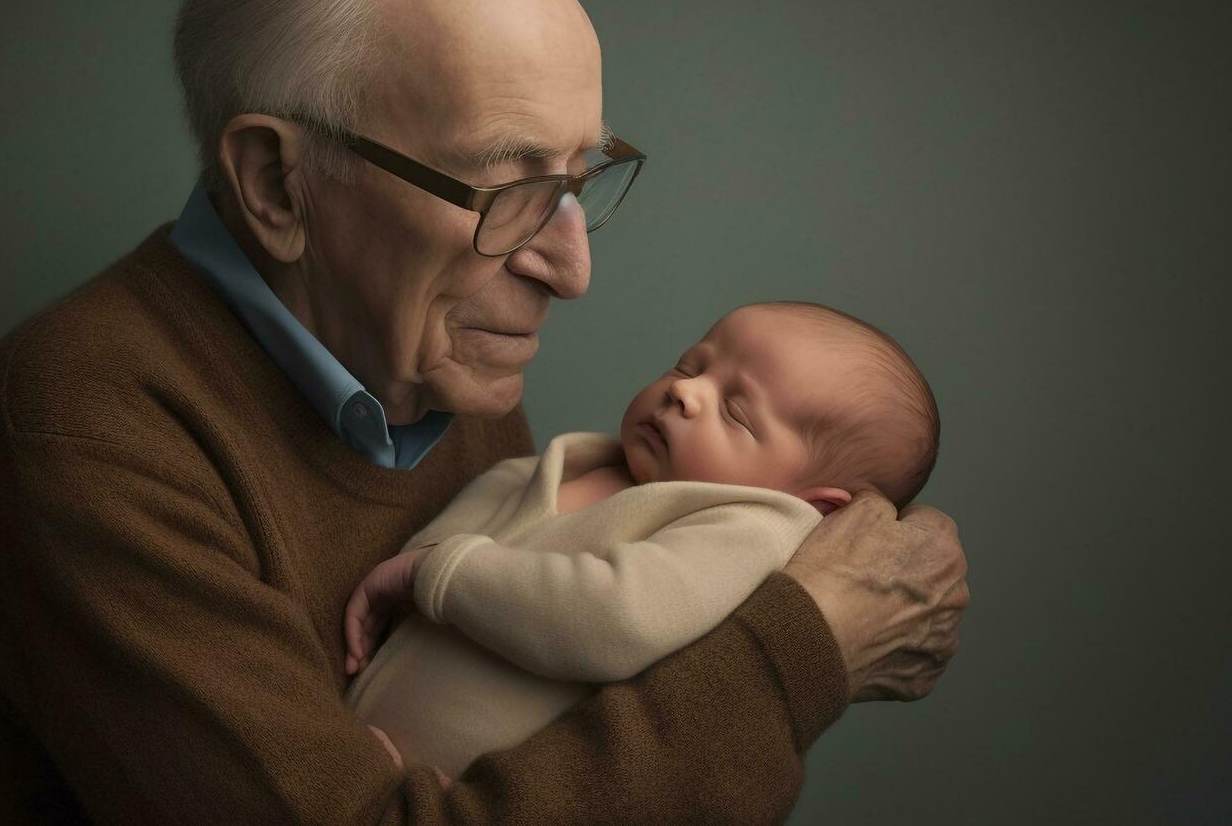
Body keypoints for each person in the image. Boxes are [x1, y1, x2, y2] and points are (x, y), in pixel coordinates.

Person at [0, 0, 969, 824]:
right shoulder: (85, 420)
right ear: (276, 184)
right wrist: (799, 651)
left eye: (577, 181)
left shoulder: (435, 363)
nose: (569, 267)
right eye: (506, 188)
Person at [341, 301, 941, 781]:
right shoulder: (567, 461)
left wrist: (431, 575)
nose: (687, 391)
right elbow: (445, 542)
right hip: (357, 754)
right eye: (690, 364)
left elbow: (615, 619)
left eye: (737, 413)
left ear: (816, 505)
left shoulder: (749, 528)